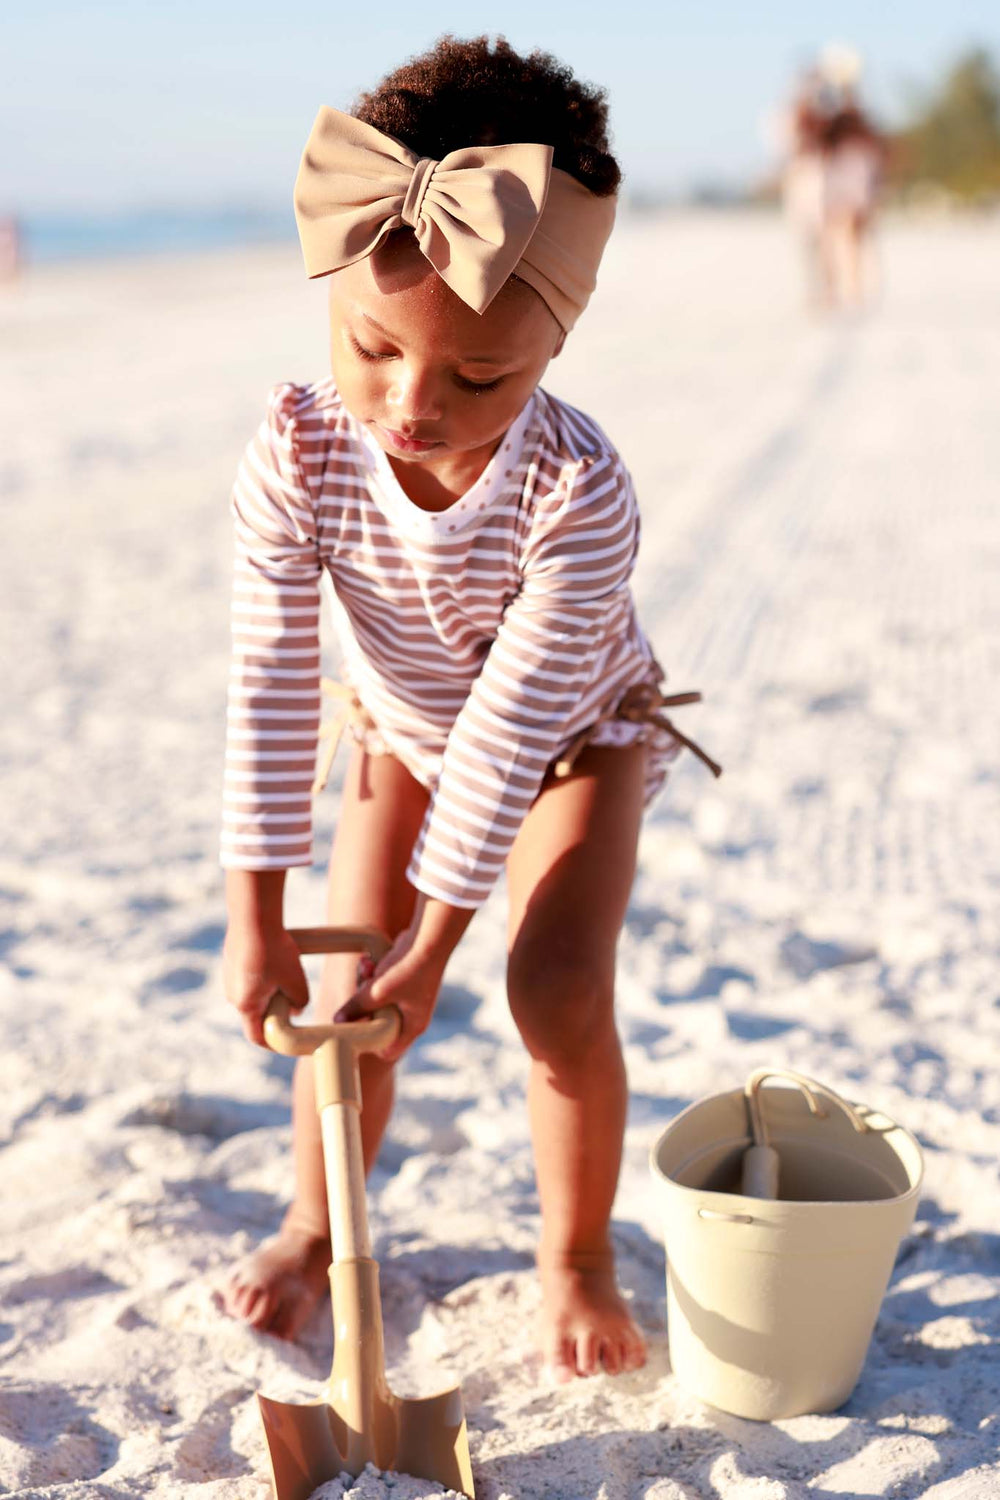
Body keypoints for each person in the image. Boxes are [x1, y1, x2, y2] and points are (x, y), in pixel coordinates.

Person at [218, 34, 719, 1383]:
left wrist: (441, 941)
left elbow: (505, 742)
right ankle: (317, 1226)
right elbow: (268, 671)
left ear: (559, 335)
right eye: (372, 348)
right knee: (347, 991)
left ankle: (577, 1254)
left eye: (479, 380)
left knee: (551, 991)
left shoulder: (579, 495)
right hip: (395, 726)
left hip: (570, 743)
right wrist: (252, 910)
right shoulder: (300, 445)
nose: (411, 408)